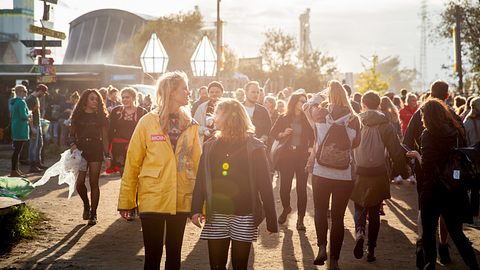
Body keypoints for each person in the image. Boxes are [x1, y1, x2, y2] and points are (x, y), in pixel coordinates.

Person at [118, 71, 201, 270]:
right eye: (184, 88)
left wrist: (201, 204)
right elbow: (132, 163)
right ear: (171, 91)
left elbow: (198, 165)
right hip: (153, 196)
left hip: (180, 197)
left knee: (174, 256)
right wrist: (126, 201)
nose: (188, 92)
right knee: (152, 256)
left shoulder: (191, 125)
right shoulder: (147, 122)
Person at [191, 98, 278, 270]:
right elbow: (201, 180)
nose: (213, 117)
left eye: (217, 113)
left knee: (240, 265)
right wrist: (194, 209)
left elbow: (265, 185)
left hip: (245, 214)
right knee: (216, 265)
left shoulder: (255, 147)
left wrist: (272, 220)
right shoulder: (210, 146)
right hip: (216, 213)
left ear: (226, 118)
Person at [407, 99, 479, 270]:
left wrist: (417, 155)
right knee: (457, 233)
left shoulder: (428, 134)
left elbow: (427, 167)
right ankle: (474, 266)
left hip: (432, 189)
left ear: (427, 116)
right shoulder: (453, 131)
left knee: (429, 233)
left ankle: (430, 264)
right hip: (452, 189)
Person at [403, 80, 462, 267]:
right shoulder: (451, 114)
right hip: (449, 173)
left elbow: (406, 141)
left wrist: (414, 159)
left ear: (430, 92)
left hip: (425, 169)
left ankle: (422, 243)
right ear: (447, 95)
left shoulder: (420, 112)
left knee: (424, 208)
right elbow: (463, 140)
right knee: (445, 210)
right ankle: (443, 247)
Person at [305, 80, 361, 269]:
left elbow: (306, 105)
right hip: (344, 174)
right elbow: (355, 144)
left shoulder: (320, 113)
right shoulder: (354, 118)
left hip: (321, 171)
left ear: (329, 95)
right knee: (338, 217)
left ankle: (322, 247)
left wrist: (321, 94)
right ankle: (334, 260)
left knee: (320, 210)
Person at [351, 91, 408, 263]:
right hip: (379, 171)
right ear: (379, 104)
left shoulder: (356, 121)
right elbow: (395, 150)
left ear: (363, 104)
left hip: (358, 170)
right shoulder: (386, 123)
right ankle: (371, 250)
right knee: (375, 210)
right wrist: (403, 171)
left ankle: (360, 231)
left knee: (359, 205)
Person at [270, 93, 314, 230]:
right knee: (284, 188)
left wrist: (311, 148)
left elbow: (314, 134)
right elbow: (273, 132)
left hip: (302, 156)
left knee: (301, 189)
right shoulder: (284, 117)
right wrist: (282, 134)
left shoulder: (307, 118)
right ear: (294, 102)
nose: (304, 103)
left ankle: (300, 219)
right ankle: (286, 208)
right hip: (287, 156)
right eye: (302, 101)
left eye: (306, 101)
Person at [69, 89, 109, 226]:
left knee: (94, 182)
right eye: (92, 99)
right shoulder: (77, 115)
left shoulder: (100, 116)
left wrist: (107, 154)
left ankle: (93, 213)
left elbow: (104, 136)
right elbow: (71, 134)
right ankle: (86, 204)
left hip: (96, 150)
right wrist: (73, 144)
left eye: (97, 99)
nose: (95, 101)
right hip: (81, 150)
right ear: (85, 100)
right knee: (79, 183)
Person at [108, 87, 147, 175]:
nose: (125, 99)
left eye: (127, 97)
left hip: (137, 147)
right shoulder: (116, 111)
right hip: (119, 148)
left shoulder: (142, 112)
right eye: (123, 97)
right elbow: (110, 130)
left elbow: (146, 131)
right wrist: (107, 151)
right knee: (124, 175)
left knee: (136, 174)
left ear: (134, 98)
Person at [463, 97, 480, 227]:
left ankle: (475, 217)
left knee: (474, 189)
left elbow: (464, 142)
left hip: (472, 160)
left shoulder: (467, 122)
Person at [380, 96, 404, 184]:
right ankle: (396, 175)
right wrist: (400, 138)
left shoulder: (381, 114)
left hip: (384, 140)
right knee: (394, 157)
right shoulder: (394, 113)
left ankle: (388, 176)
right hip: (395, 139)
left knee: (385, 158)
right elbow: (398, 127)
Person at [26, 84, 49, 173]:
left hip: (37, 124)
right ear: (40, 91)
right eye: (43, 92)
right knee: (33, 146)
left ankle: (38, 163)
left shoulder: (36, 98)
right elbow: (29, 115)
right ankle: (32, 165)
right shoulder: (30, 99)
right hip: (34, 125)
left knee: (39, 144)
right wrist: (32, 128)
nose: (44, 94)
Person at [9, 85, 30, 177]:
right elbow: (23, 116)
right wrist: (29, 115)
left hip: (15, 127)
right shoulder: (21, 102)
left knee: (17, 150)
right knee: (17, 151)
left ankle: (15, 169)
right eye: (25, 91)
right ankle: (14, 170)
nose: (26, 93)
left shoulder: (13, 102)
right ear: (20, 92)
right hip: (21, 128)